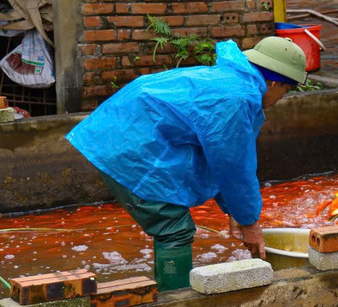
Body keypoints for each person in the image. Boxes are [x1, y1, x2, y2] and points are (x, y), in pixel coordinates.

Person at [65, 36, 308, 291]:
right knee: (173, 227)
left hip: (118, 133)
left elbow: (218, 157)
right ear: (273, 82)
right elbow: (234, 167)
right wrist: (249, 222)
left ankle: (163, 291)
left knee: (172, 222)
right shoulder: (237, 99)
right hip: (130, 147)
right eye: (286, 90)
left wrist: (234, 211)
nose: (282, 97)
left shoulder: (230, 81)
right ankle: (176, 303)